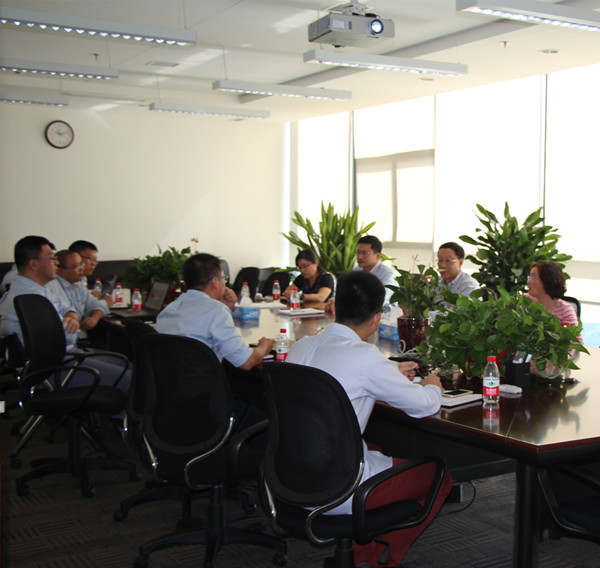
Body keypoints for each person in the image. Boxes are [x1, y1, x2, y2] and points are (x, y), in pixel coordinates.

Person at [286, 270, 452, 567]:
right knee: (440, 475)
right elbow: (423, 407)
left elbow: (344, 377)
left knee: (374, 448)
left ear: (334, 306)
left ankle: (361, 554)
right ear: (376, 318)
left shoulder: (301, 346)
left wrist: (388, 373)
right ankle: (381, 560)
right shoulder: (365, 357)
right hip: (339, 488)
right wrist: (432, 386)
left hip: (289, 478)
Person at [155, 253, 274, 370]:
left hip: (170, 380)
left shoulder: (170, 309)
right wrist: (264, 347)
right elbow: (245, 362)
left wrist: (227, 308)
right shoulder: (216, 310)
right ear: (215, 282)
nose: (225, 283)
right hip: (203, 380)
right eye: (224, 278)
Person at [0, 236, 80, 346]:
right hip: (58, 355)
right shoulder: (30, 297)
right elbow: (67, 335)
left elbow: (65, 308)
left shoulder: (38, 289)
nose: (57, 262)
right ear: (34, 264)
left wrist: (72, 316)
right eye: (52, 258)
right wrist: (74, 324)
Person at [47, 250, 110, 332]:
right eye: (76, 267)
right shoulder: (51, 287)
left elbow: (96, 305)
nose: (81, 269)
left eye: (81, 264)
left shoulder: (78, 284)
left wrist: (94, 318)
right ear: (60, 271)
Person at [524, 261, 582, 343]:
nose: (528, 281)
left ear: (548, 280)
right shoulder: (524, 301)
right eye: (529, 277)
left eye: (533, 277)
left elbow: (577, 342)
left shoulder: (565, 309)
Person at [352, 235, 396, 307]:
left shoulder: (388, 274)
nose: (359, 256)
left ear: (377, 256)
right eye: (358, 252)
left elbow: (380, 300)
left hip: (384, 312)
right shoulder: (356, 271)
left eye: (365, 253)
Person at [69, 240, 114, 305]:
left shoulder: (82, 279)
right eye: (89, 258)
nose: (93, 263)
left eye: (95, 260)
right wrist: (104, 303)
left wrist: (91, 297)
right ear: (75, 257)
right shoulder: (68, 282)